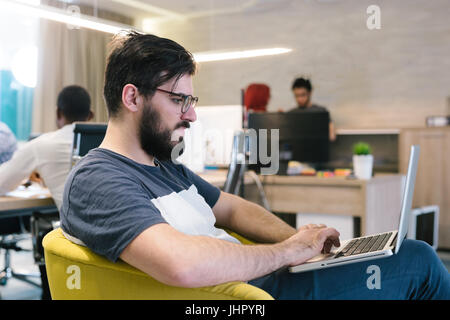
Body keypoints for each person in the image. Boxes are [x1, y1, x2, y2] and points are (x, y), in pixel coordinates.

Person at [59, 31, 450, 300]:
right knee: (419, 261)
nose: (191, 116)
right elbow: (182, 265)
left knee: (400, 253)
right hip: (260, 295)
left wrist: (305, 246)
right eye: (180, 101)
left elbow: (229, 206)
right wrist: (286, 251)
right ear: (132, 98)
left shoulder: (163, 164)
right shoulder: (99, 178)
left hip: (271, 278)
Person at [0, 85, 94, 209]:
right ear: (91, 115)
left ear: (58, 112)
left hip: (75, 227)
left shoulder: (41, 145)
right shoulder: (107, 141)